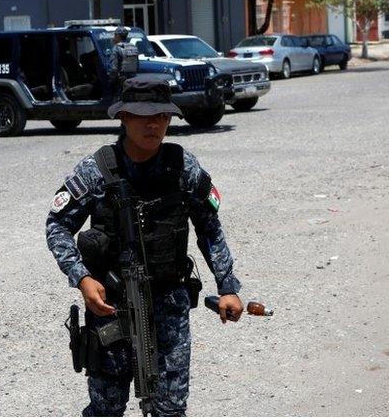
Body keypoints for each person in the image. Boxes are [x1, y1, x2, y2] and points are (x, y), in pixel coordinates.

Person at [45, 76, 245, 416]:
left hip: (169, 307)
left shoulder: (183, 167)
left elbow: (209, 227)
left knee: (170, 410)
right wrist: (81, 278)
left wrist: (227, 286)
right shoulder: (97, 171)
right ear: (123, 117)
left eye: (162, 116)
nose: (154, 123)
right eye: (143, 115)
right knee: (106, 409)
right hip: (111, 307)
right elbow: (57, 226)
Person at [108, 26, 139, 97]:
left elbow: (114, 68)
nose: (114, 37)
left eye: (115, 35)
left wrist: (111, 80)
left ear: (118, 36)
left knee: (116, 102)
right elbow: (137, 65)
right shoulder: (133, 47)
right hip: (132, 80)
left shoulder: (116, 48)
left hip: (121, 81)